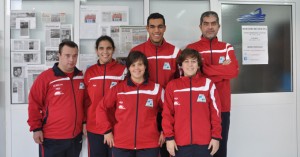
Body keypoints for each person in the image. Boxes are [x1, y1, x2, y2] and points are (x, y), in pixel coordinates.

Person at [186, 11, 239, 157]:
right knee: (201, 150)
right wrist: (222, 72)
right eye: (206, 24)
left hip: (222, 107)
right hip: (198, 107)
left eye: (213, 23)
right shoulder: (192, 48)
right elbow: (192, 76)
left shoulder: (226, 47)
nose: (210, 27)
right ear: (200, 26)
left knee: (220, 151)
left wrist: (205, 69)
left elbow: (233, 71)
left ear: (218, 26)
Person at [130, 12, 181, 157]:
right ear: (147, 28)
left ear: (165, 28)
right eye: (152, 27)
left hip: (168, 111)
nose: (156, 30)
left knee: (167, 150)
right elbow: (130, 82)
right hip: (144, 111)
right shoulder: (136, 51)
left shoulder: (175, 52)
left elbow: (181, 81)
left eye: (160, 27)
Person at [97, 51, 164, 157]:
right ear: (128, 68)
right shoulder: (118, 89)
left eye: (140, 64)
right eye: (133, 65)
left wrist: (165, 131)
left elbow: (169, 111)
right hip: (122, 144)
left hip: (149, 144)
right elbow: (101, 108)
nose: (136, 68)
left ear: (145, 66)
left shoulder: (156, 89)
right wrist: (106, 131)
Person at [27, 41, 88, 157]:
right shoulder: (46, 77)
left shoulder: (80, 77)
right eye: (67, 55)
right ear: (59, 55)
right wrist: (36, 129)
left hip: (75, 138)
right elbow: (34, 103)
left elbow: (85, 103)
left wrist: (85, 122)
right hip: (51, 139)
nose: (71, 59)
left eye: (75, 56)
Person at [162, 48, 222, 157]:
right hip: (179, 143)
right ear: (181, 65)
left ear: (198, 65)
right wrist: (169, 138)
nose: (190, 65)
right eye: (186, 61)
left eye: (193, 61)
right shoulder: (172, 86)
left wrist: (216, 137)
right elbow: (167, 115)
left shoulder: (208, 84)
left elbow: (216, 113)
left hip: (205, 143)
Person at [84, 35, 127, 157]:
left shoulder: (122, 71)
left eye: (108, 48)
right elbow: (86, 100)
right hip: (94, 127)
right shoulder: (90, 72)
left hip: (116, 127)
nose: (105, 52)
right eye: (101, 48)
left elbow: (127, 98)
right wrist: (84, 123)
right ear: (97, 50)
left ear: (113, 50)